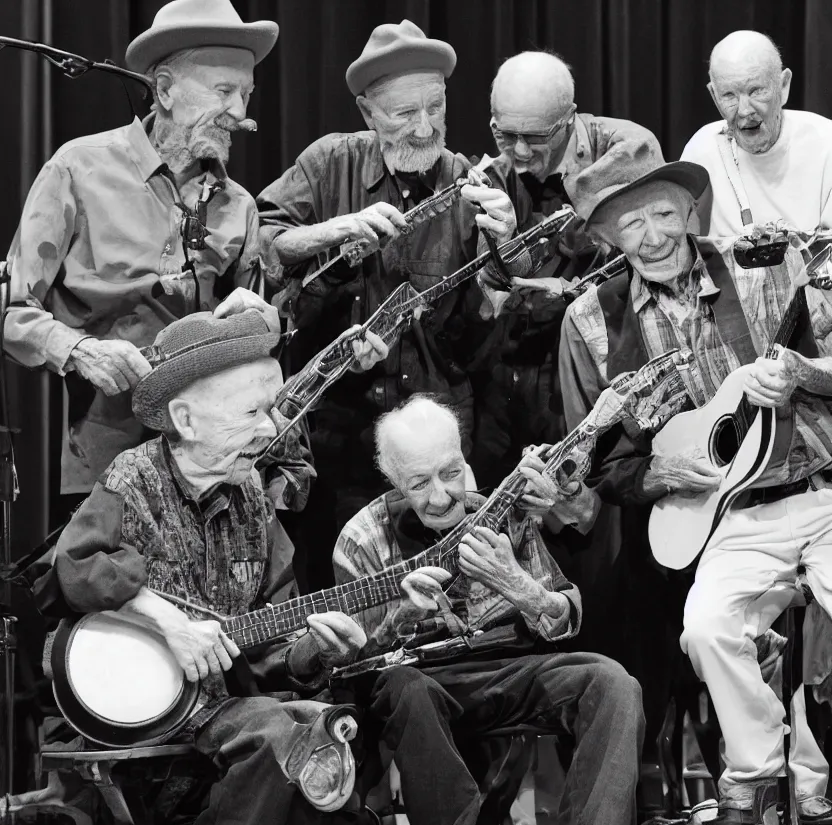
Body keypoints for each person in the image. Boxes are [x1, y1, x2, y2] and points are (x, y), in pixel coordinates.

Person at [559, 142, 832, 825]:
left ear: (688, 209)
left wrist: (802, 371)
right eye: (628, 225)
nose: (650, 236)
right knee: (704, 630)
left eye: (661, 213)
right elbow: (588, 460)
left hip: (819, 491)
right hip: (718, 522)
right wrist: (659, 470)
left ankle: (815, 777)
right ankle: (756, 782)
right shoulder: (590, 320)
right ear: (603, 236)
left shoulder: (761, 267)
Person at [36, 309, 372, 825]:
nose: (271, 430)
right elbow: (73, 566)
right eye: (252, 413)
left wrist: (316, 649)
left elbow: (272, 631)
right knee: (281, 736)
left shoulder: (254, 496)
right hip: (146, 705)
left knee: (330, 742)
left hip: (228, 705)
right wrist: (167, 622)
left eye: (273, 410)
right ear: (187, 420)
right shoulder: (134, 478)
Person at [257, 20, 519, 587]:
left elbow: (499, 304)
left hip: (435, 439)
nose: (425, 127)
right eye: (404, 114)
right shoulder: (330, 162)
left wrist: (506, 245)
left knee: (444, 592)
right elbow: (266, 242)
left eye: (436, 107)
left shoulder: (469, 180)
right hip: (339, 434)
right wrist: (338, 228)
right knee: (340, 594)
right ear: (367, 112)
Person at [3, 0, 283, 514]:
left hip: (211, 468)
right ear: (166, 89)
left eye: (246, 94)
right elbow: (11, 310)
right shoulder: (77, 169)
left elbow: (259, 341)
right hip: (101, 464)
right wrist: (81, 350)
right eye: (223, 91)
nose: (242, 114)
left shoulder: (239, 204)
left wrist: (262, 321)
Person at [332, 395, 645, 825]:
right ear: (393, 479)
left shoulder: (498, 512)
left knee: (613, 682)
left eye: (451, 473)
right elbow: (352, 667)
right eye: (420, 483)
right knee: (404, 687)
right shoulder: (362, 540)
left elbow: (566, 613)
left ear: (464, 455)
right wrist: (401, 617)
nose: (441, 497)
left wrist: (520, 587)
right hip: (424, 683)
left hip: (509, 669)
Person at [470, 50, 662, 488]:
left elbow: (606, 279)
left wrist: (515, 263)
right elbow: (492, 295)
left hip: (597, 376)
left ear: (569, 117)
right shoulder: (496, 175)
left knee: (585, 529)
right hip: (512, 380)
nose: (519, 152)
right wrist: (498, 249)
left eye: (536, 137)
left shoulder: (627, 150)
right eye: (505, 134)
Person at [680, 29, 832, 351]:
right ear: (713, 95)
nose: (745, 110)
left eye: (756, 90)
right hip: (729, 325)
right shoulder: (701, 151)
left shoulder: (825, 144)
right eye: (729, 96)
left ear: (784, 85)